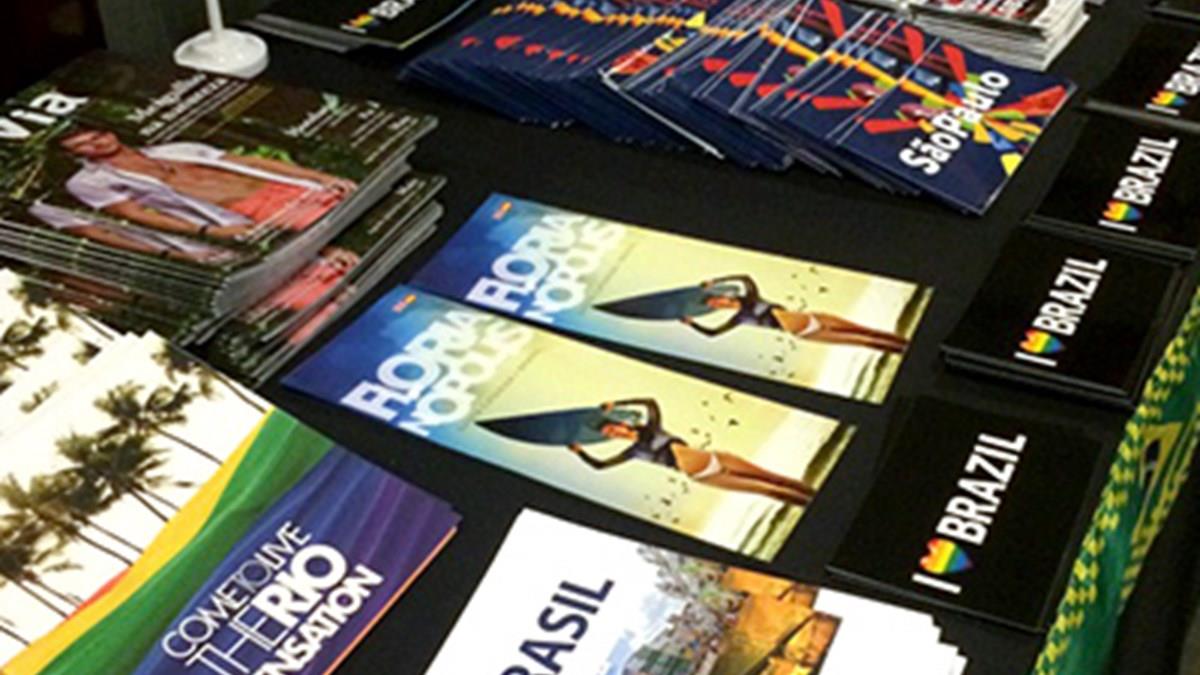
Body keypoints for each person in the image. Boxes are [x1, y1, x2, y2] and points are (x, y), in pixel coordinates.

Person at [59, 129, 357, 241]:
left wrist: (319, 177)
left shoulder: (176, 148)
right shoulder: (88, 181)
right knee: (338, 231)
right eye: (83, 145)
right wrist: (210, 231)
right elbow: (135, 214)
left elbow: (250, 162)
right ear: (75, 155)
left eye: (96, 136)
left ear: (109, 132)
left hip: (285, 187)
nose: (96, 144)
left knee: (356, 209)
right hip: (249, 209)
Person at [566, 398, 815, 506]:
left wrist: (617, 404)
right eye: (610, 434)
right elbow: (600, 466)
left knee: (773, 478)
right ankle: (807, 507)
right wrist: (579, 452)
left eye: (613, 428)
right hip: (705, 475)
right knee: (766, 490)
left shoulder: (652, 427)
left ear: (622, 424)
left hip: (717, 458)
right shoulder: (635, 452)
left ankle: (817, 496)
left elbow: (650, 402)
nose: (614, 433)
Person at [681, 274, 909, 353]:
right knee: (863, 341)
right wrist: (691, 324)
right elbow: (712, 334)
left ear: (724, 296)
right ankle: (901, 352)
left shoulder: (750, 297)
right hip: (806, 332)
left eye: (717, 299)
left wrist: (715, 281)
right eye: (714, 305)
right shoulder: (741, 319)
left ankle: (908, 343)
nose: (718, 304)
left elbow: (745, 277)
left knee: (867, 331)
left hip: (814, 317)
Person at [28, 202, 238, 266]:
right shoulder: (42, 207)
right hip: (170, 243)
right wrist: (169, 254)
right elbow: (97, 234)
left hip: (204, 229)